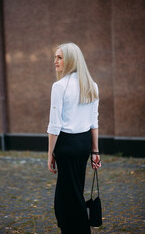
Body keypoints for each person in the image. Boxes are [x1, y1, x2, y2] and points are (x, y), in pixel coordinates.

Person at [47, 43, 101, 234]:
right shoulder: (91, 86)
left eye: (60, 57)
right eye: (55, 57)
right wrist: (94, 151)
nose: (55, 61)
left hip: (66, 145)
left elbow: (55, 125)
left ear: (70, 59)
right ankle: (74, 228)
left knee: (66, 195)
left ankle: (76, 229)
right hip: (83, 145)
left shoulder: (59, 86)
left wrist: (50, 154)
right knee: (76, 189)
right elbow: (93, 121)